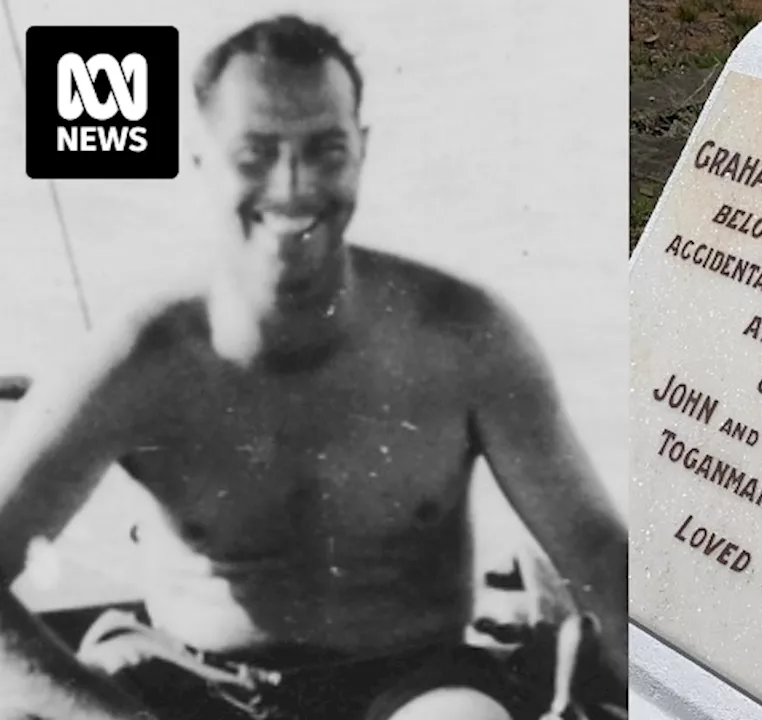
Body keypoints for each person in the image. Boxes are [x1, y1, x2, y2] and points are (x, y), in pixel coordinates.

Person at [0, 13, 626, 720]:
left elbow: (601, 557)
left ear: (362, 151)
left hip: (415, 686)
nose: (293, 185)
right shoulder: (139, 358)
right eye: (255, 152)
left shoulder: (464, 335)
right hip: (189, 684)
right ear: (203, 163)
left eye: (324, 149)